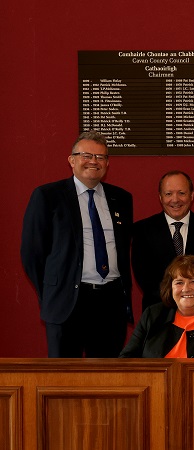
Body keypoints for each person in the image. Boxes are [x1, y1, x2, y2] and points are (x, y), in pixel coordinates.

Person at [21, 131, 133, 357]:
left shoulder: (121, 198)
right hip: (67, 303)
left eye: (101, 157)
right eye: (86, 155)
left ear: (108, 163)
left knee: (107, 379)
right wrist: (54, 290)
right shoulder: (47, 196)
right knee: (63, 380)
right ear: (71, 160)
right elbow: (32, 254)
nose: (93, 161)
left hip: (110, 303)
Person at [132, 171, 194, 311]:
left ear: (192, 195)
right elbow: (144, 277)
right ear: (160, 197)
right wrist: (177, 299)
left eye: (181, 193)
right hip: (159, 313)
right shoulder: (143, 230)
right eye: (168, 194)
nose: (175, 200)